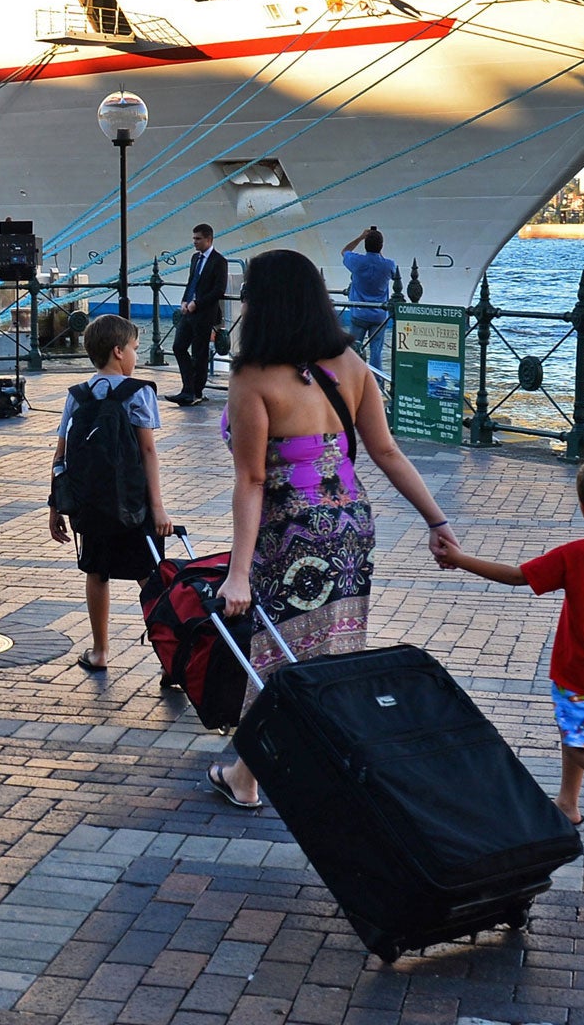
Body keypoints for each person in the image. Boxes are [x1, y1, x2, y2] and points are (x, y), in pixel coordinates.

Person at [208, 248, 458, 811]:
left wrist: (238, 573)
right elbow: (387, 452)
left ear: (264, 302)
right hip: (349, 525)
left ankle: (249, 776)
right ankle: (299, 763)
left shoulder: (253, 377)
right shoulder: (350, 364)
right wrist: (436, 520)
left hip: (288, 530)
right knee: (329, 649)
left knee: (276, 653)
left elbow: (250, 480)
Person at [434, 455, 584, 852]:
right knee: (574, 732)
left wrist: (459, 559)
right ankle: (568, 803)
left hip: (580, 668)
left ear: (583, 508)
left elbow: (517, 576)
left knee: (583, 746)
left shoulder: (576, 555)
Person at [47, 314, 172, 672]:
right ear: (118, 351)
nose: (136, 355)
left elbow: (62, 455)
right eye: (134, 348)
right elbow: (147, 451)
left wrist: (56, 507)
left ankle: (100, 651)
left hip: (92, 505)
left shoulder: (77, 395)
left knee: (97, 573)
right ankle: (169, 657)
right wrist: (158, 508)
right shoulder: (140, 392)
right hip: (134, 502)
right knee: (149, 576)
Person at [169, 223, 228, 407]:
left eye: (198, 239)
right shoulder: (195, 258)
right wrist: (185, 301)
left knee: (199, 353)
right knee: (178, 347)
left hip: (205, 313)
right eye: (194, 238)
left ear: (208, 239)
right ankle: (188, 388)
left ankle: (196, 391)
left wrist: (198, 303)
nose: (194, 242)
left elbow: (219, 289)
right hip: (189, 312)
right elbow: (191, 282)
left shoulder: (219, 261)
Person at [340, 227, 402, 373]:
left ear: (365, 245)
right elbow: (393, 275)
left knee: (353, 351)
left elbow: (344, 251)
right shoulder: (388, 264)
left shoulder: (357, 261)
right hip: (379, 314)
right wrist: (378, 251)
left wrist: (361, 237)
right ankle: (377, 384)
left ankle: (353, 382)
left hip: (359, 312)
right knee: (376, 354)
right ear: (381, 246)